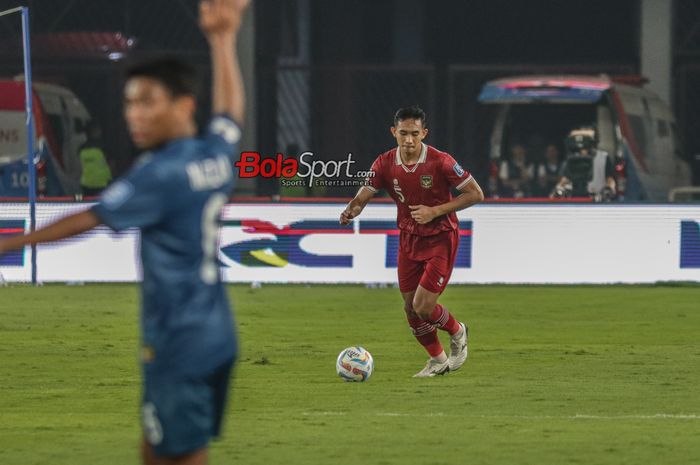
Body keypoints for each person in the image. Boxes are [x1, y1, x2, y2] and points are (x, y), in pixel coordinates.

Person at [0, 1, 249, 464]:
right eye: (130, 103)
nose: (135, 115)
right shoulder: (212, 155)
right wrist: (223, 39)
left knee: (181, 454)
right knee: (157, 448)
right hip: (215, 333)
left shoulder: (160, 172)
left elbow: (89, 218)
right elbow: (231, 113)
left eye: (147, 102)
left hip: (177, 341)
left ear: (183, 106)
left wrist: (9, 244)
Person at [339, 105, 484, 378]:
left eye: (414, 134)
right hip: (408, 239)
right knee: (410, 307)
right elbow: (365, 192)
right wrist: (353, 208)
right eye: (403, 133)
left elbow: (476, 194)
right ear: (394, 132)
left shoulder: (441, 161)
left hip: (441, 238)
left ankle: (457, 330)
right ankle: (437, 360)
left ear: (424, 133)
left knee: (423, 306)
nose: (408, 140)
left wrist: (435, 211)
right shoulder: (384, 163)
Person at [553, 126, 616, 201]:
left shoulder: (603, 157)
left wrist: (609, 188)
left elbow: (610, 178)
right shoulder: (572, 157)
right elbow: (565, 178)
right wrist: (559, 188)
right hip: (575, 198)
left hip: (597, 198)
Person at [79, 121, 113, 196]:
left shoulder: (81, 148)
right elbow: (111, 165)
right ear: (96, 131)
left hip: (87, 185)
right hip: (102, 184)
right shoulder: (103, 146)